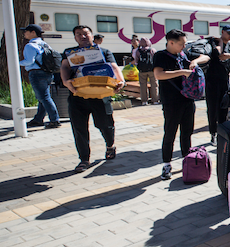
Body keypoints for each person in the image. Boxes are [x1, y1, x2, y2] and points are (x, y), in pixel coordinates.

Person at [59, 25, 126, 173]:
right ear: (75, 37)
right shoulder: (70, 53)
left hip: (100, 96)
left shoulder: (104, 52)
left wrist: (121, 81)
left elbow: (114, 67)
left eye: (85, 33)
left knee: (105, 124)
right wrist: (65, 81)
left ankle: (110, 145)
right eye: (78, 34)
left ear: (91, 35)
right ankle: (84, 159)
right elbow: (64, 67)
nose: (82, 36)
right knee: (79, 128)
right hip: (77, 95)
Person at [153, 29, 210, 180]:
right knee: (170, 133)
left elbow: (206, 57)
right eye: (181, 43)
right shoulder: (160, 56)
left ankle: (188, 160)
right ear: (171, 42)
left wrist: (195, 61)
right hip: (171, 101)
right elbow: (158, 74)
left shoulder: (183, 54)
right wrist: (182, 72)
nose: (183, 46)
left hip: (187, 100)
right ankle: (166, 164)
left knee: (187, 132)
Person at [18, 24, 60, 129]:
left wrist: (17, 63)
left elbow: (29, 61)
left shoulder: (30, 45)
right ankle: (38, 119)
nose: (24, 33)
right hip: (48, 73)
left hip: (36, 73)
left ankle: (55, 120)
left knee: (44, 97)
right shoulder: (45, 44)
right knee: (44, 97)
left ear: (33, 33)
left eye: (26, 31)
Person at [205, 24, 230, 144]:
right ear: (222, 32)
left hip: (224, 81)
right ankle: (213, 133)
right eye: (229, 33)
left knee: (224, 107)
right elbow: (217, 54)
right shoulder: (213, 44)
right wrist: (220, 41)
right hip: (211, 81)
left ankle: (222, 131)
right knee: (212, 108)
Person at [132, 38, 159, 105]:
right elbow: (155, 59)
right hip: (151, 70)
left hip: (142, 70)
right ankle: (155, 100)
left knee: (143, 85)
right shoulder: (152, 50)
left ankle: (144, 101)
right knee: (154, 85)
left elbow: (136, 61)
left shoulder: (138, 51)